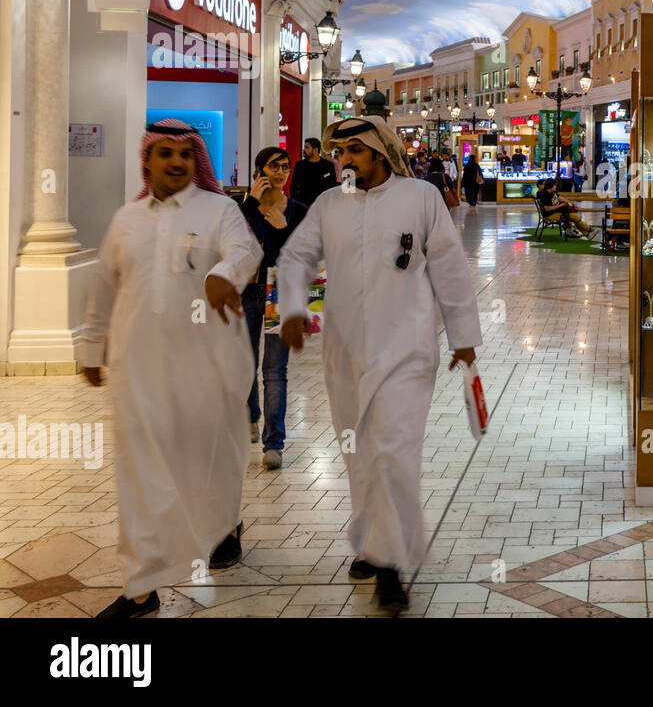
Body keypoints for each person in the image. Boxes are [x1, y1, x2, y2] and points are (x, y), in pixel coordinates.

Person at [277, 116, 482, 613]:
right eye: (338, 152)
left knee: (392, 451)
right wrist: (292, 308)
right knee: (360, 450)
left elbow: (450, 265)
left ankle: (390, 564)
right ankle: (373, 538)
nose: (343, 160)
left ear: (378, 153)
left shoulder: (420, 197)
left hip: (407, 350)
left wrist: (464, 337)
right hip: (345, 352)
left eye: (353, 151)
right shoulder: (328, 204)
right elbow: (296, 257)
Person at [81, 120, 262, 618]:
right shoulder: (126, 219)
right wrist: (92, 347)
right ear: (147, 161)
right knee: (140, 477)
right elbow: (103, 287)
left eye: (184, 154)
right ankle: (141, 588)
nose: (176, 162)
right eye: (164, 154)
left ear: (195, 160)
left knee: (204, 470)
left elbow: (247, 250)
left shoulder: (220, 209)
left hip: (205, 373)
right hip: (138, 372)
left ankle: (220, 528)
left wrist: (224, 274)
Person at [240, 146, 308, 469]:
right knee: (245, 360)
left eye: (285, 166)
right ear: (259, 171)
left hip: (280, 292)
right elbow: (234, 241)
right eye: (273, 166)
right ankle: (251, 415)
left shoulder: (298, 211)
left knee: (274, 369)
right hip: (247, 290)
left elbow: (301, 254)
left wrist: (282, 230)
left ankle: (274, 442)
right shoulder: (244, 207)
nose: (280, 172)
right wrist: (251, 203)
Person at [291, 137, 339, 208]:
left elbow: (332, 185)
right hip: (304, 206)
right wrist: (297, 202)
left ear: (315, 150)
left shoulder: (328, 165)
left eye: (307, 147)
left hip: (323, 205)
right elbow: (293, 186)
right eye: (304, 147)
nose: (304, 150)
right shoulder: (300, 165)